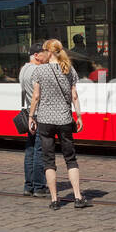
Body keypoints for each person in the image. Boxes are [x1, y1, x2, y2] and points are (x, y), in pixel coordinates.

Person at [28, 39, 89, 209]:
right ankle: (78, 197)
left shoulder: (40, 71)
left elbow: (36, 96)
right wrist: (79, 116)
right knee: (70, 158)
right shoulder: (68, 68)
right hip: (64, 120)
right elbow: (74, 96)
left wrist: (31, 116)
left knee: (49, 160)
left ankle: (55, 200)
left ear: (49, 52)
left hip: (45, 121)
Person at [19, 43, 49, 197]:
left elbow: (24, 93)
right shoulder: (38, 70)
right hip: (38, 113)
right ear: (36, 55)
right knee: (39, 150)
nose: (47, 56)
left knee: (30, 150)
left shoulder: (23, 69)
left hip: (29, 114)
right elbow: (39, 94)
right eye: (44, 53)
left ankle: (28, 186)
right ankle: (39, 186)